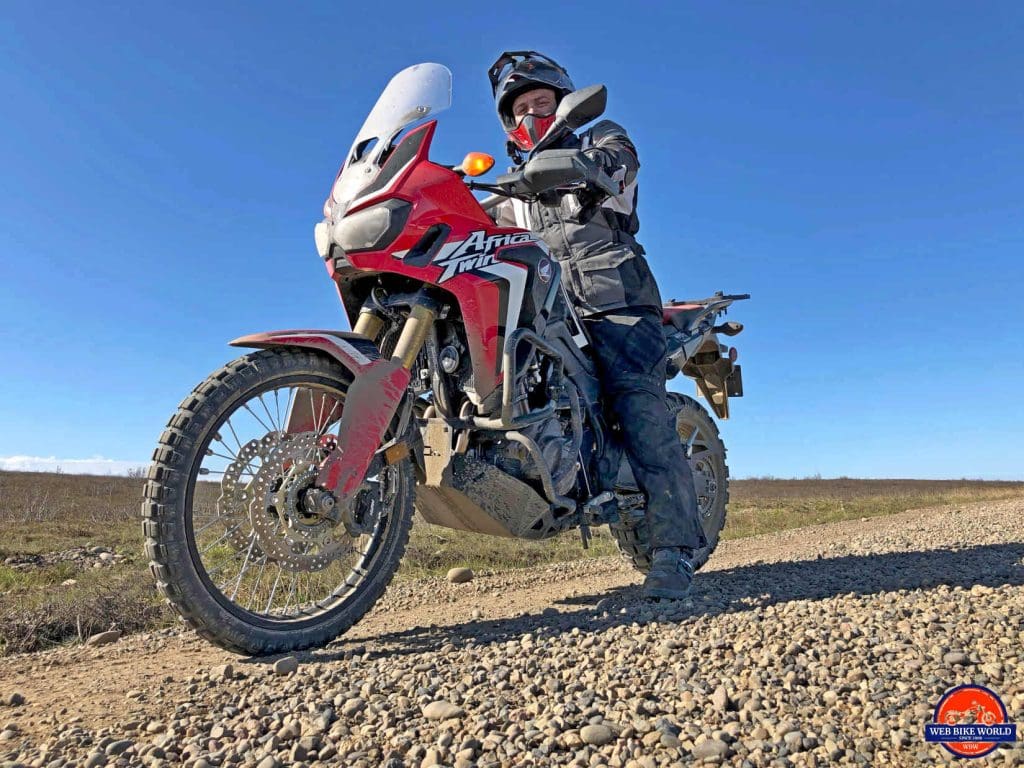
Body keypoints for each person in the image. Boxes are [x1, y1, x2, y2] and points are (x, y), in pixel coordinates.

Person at [487, 51, 708, 600]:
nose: (530, 116)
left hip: (617, 302)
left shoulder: (599, 140)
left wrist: (583, 168)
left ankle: (674, 551)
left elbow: (618, 166)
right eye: (519, 110)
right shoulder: (509, 187)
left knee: (639, 407)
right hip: (547, 308)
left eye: (541, 102)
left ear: (564, 105)